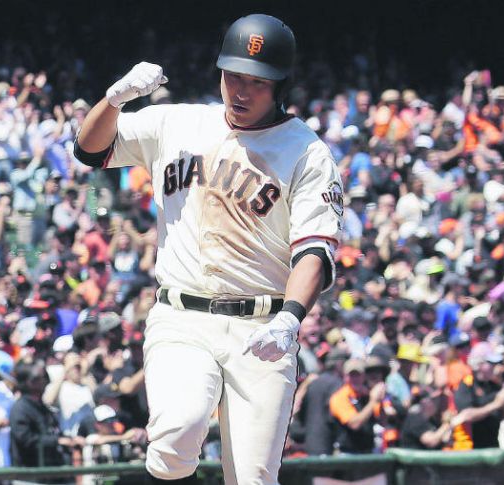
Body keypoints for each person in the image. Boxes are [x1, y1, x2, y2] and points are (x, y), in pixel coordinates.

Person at [74, 13, 342, 484]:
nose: (241, 91)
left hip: (263, 326)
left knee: (254, 478)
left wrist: (289, 318)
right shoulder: (177, 123)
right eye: (233, 76)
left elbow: (314, 251)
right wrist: (114, 101)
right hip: (182, 316)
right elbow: (89, 150)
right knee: (177, 436)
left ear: (280, 86)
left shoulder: (307, 152)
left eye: (257, 82)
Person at [10, 359, 84, 478]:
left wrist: (70, 439)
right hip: (31, 475)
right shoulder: (20, 408)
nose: (44, 382)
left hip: (52, 473)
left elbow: (53, 432)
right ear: (29, 382)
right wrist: (57, 441)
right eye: (39, 378)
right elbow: (26, 440)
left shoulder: (43, 408)